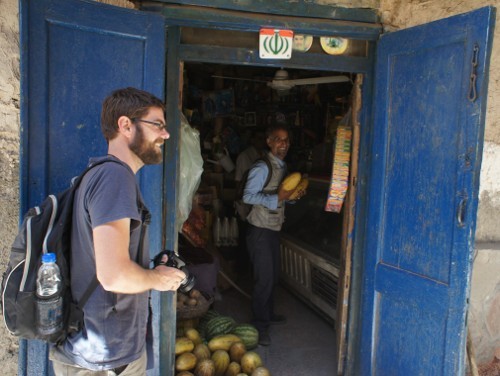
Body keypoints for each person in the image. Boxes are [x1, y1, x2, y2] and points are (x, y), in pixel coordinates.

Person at [50, 87, 187, 375]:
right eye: (158, 125)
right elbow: (112, 275)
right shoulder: (114, 178)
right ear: (126, 125)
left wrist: (151, 267)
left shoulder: (102, 175)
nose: (166, 135)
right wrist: (157, 279)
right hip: (100, 359)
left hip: (102, 352)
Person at [242, 124, 306, 346]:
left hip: (272, 229)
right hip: (260, 230)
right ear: (269, 141)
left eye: (286, 140)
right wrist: (277, 198)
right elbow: (248, 196)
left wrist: (293, 196)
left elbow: (282, 196)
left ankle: (267, 315)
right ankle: (260, 327)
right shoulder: (262, 167)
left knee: (272, 277)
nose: (283, 144)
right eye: (278, 139)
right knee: (264, 280)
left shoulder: (283, 167)